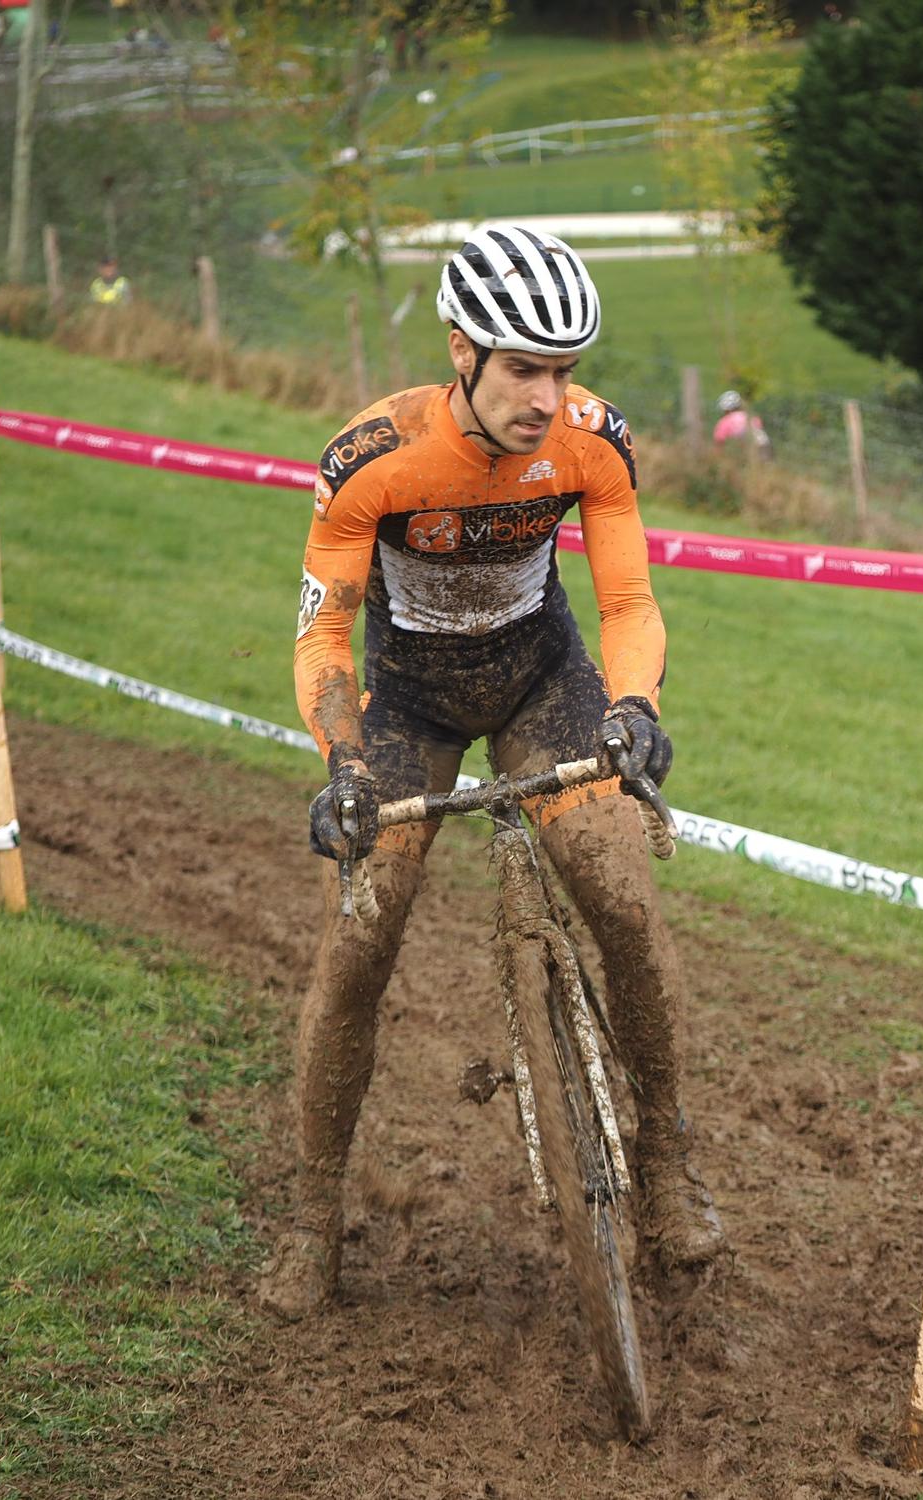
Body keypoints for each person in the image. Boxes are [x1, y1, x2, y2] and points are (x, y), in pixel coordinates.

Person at [259, 224, 728, 1320]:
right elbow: (324, 634)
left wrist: (634, 708)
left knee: (622, 902)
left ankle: (664, 1162)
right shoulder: (370, 459)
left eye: (561, 370)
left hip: (539, 683)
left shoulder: (590, 442)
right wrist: (340, 763)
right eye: (523, 368)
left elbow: (625, 603)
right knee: (360, 940)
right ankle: (312, 1219)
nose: (545, 395)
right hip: (409, 702)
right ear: (462, 350)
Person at [711, 388, 771, 461]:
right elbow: (759, 426)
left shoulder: (725, 421)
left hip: (747, 448)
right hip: (764, 444)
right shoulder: (750, 416)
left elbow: (719, 442)